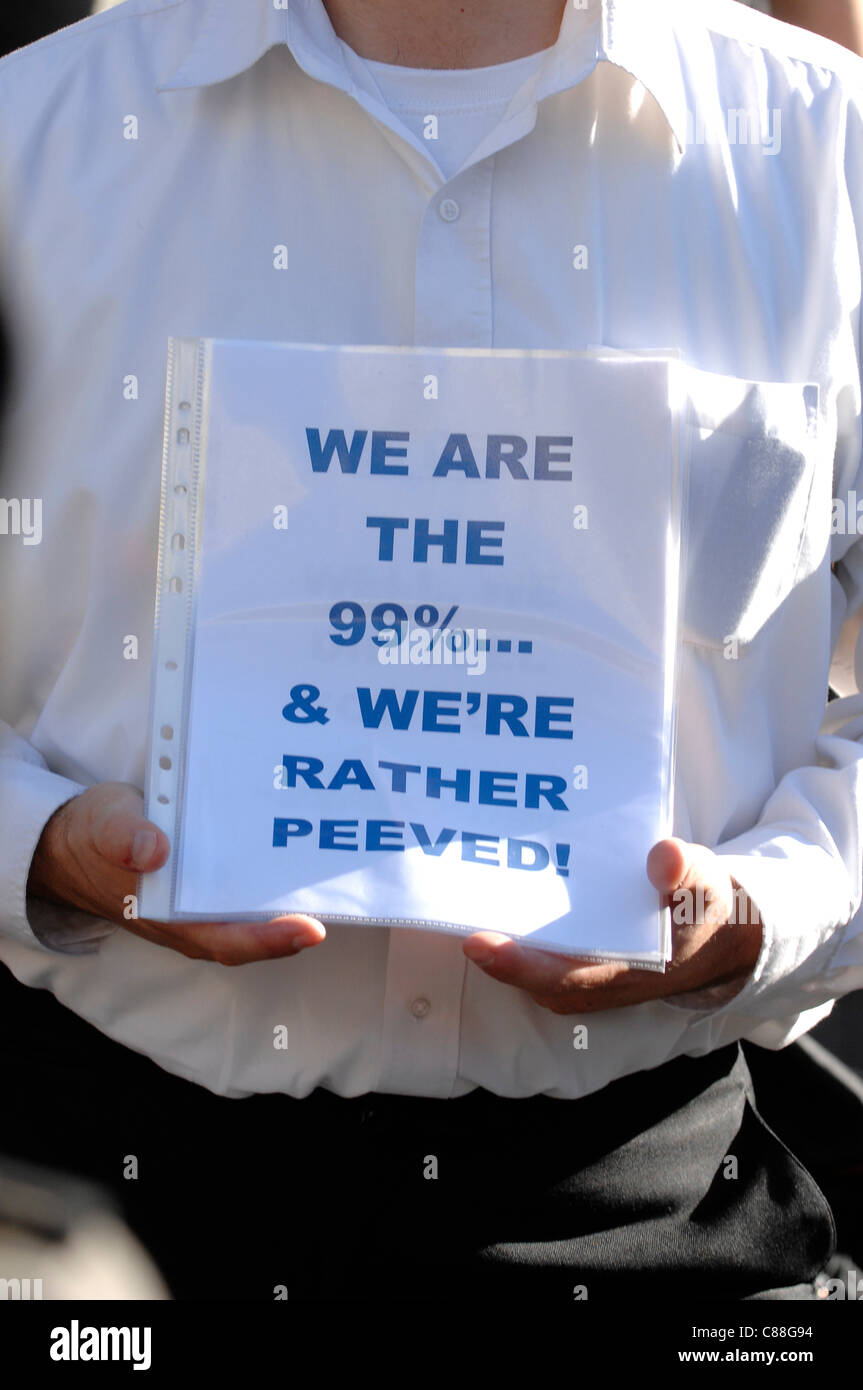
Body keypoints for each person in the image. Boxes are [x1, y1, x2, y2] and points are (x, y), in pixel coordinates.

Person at [2, 0, 863, 1302]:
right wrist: (40, 845)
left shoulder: (825, 146)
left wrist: (776, 902)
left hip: (656, 1218)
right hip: (102, 1216)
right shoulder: (31, 133)